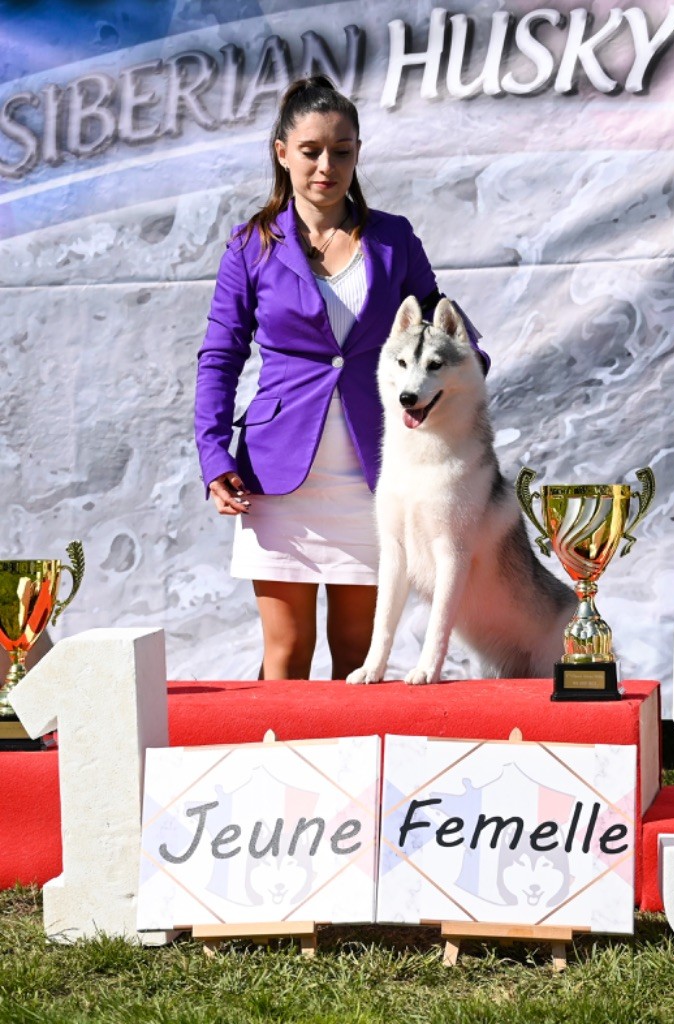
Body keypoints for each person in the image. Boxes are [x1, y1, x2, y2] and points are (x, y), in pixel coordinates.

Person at [195, 75, 488, 681]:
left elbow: (440, 321)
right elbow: (220, 355)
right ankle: (273, 774)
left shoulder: (394, 239)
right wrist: (212, 452)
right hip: (276, 476)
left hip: (377, 473)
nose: (327, 165)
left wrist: (469, 368)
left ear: (358, 153)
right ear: (282, 152)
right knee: (286, 652)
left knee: (360, 654)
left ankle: (352, 780)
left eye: (343, 150)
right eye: (311, 150)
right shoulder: (250, 246)